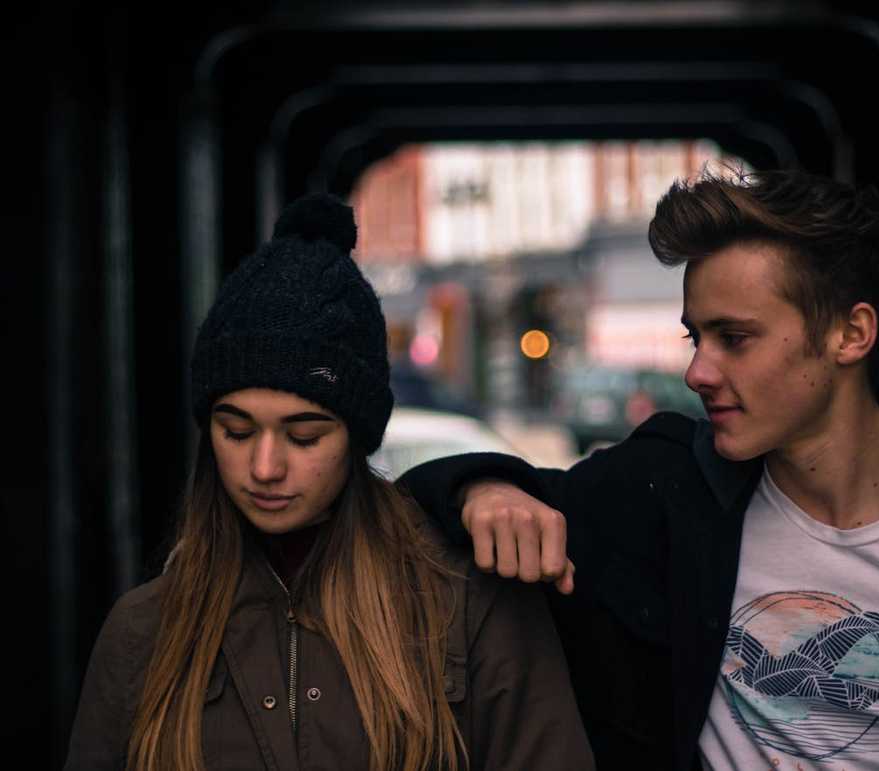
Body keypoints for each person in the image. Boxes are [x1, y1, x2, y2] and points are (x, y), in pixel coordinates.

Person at [400, 168, 879, 770]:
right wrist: (483, 487)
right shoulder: (664, 489)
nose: (697, 371)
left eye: (734, 338)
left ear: (851, 333)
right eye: (696, 337)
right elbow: (402, 509)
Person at [65, 194, 595, 771]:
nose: (265, 467)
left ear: (356, 438)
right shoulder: (143, 629)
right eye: (236, 431)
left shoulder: (467, 605)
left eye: (304, 436)